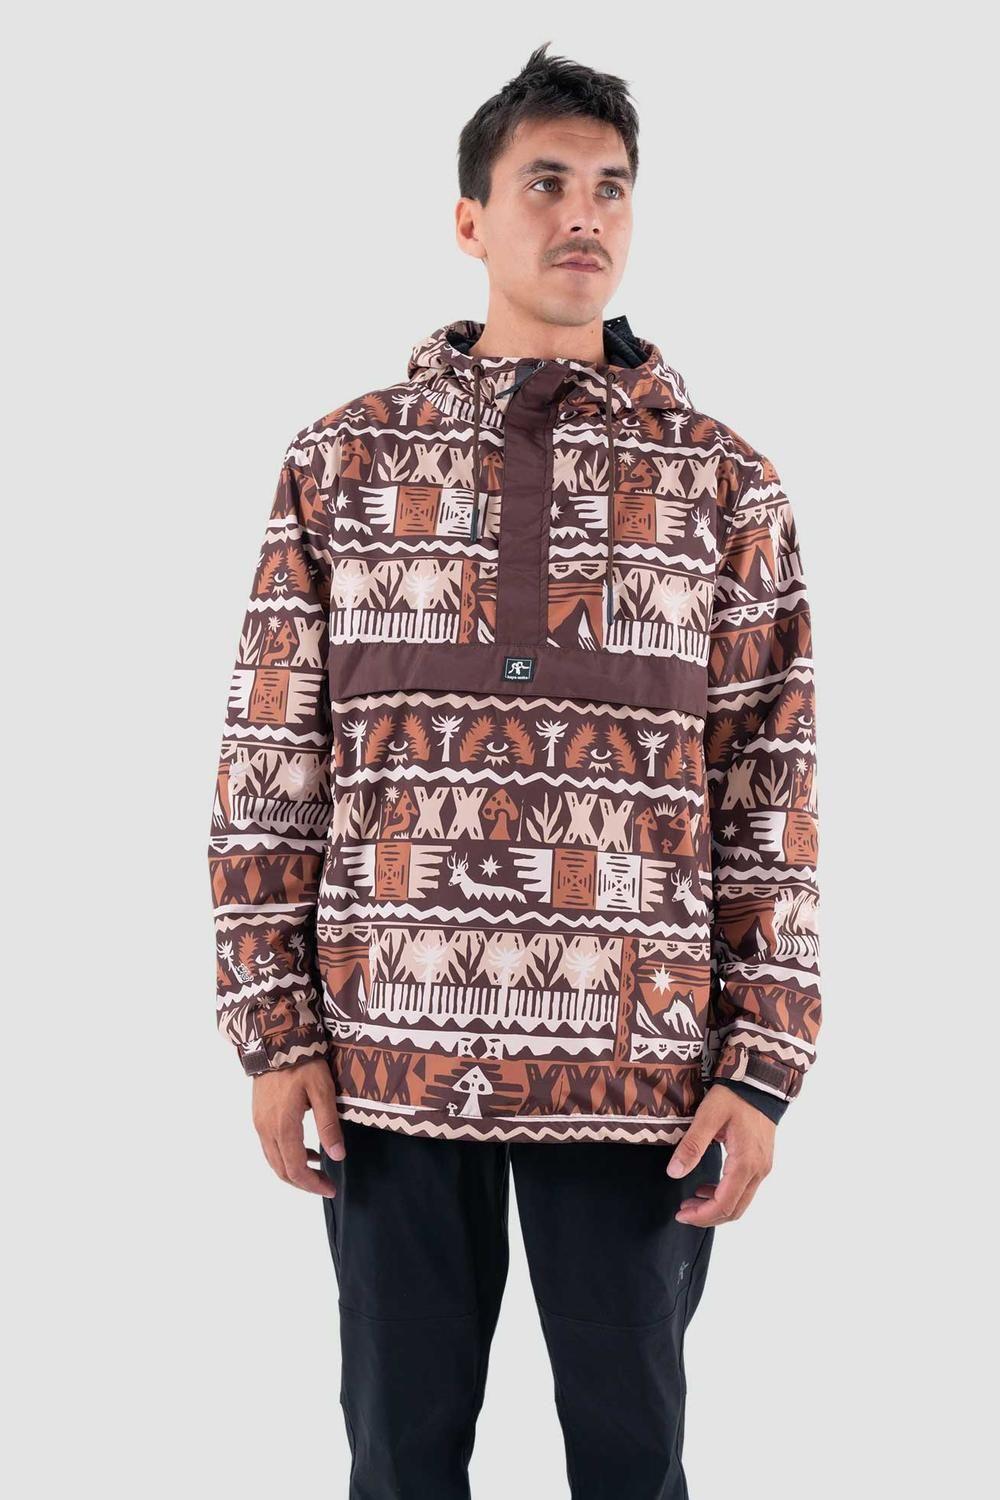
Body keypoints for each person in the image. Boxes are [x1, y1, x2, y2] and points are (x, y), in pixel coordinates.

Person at [207, 42, 822, 1500]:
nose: (584, 214)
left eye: (612, 186)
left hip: (642, 1067)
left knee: (634, 1460)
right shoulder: (343, 462)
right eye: (545, 182)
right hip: (388, 1056)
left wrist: (765, 1062)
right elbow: (271, 755)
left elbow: (771, 786)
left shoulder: (725, 483)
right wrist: (271, 1029)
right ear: (470, 219)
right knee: (399, 1459)